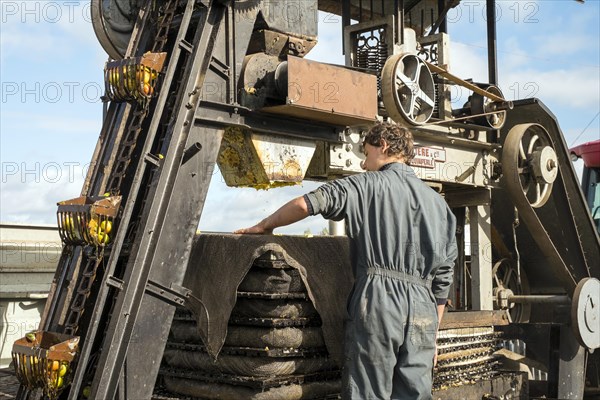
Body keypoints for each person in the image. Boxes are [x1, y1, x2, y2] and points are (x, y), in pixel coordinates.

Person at [235, 122, 457, 400]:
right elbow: (444, 276)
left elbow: (308, 203)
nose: (364, 164)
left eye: (366, 154)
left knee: (367, 392)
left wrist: (266, 225)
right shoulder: (440, 206)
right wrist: (432, 335)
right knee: (415, 394)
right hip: (424, 312)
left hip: (380, 300)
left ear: (384, 147)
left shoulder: (364, 185)